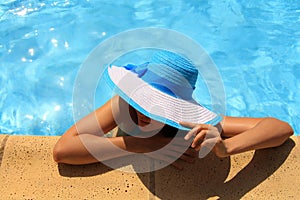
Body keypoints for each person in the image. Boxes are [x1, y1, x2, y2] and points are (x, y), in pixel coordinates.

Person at [53, 50, 294, 170]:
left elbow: (281, 128)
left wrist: (226, 147)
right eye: (142, 101)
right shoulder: (123, 105)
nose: (144, 112)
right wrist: (144, 146)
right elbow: (63, 150)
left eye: (157, 106)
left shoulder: (190, 125)